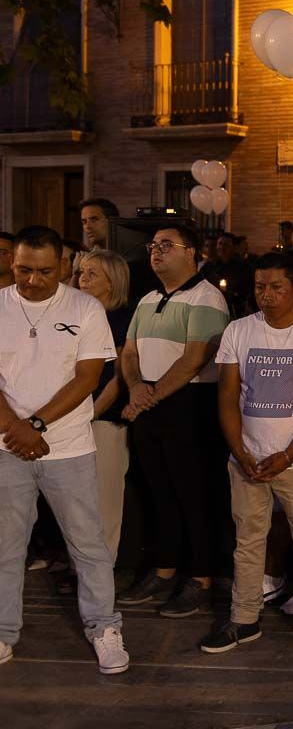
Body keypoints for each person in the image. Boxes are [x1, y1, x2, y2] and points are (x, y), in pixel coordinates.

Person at [200, 252, 293, 658]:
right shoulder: (239, 331)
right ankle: (243, 619)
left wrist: (288, 455)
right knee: (247, 539)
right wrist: (241, 452)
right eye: (260, 286)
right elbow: (227, 397)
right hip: (248, 460)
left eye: (276, 286)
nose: (266, 295)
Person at [0, 225, 129, 674]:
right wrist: (15, 429)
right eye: (22, 270)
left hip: (70, 447)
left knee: (88, 543)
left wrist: (35, 425)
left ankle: (104, 629)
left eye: (41, 271)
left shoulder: (85, 307)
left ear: (61, 266)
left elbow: (88, 378)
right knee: (5, 546)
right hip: (7, 447)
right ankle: (2, 632)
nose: (31, 280)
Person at [117, 223, 231, 617]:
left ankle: (201, 577)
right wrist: (135, 389)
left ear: (192, 253)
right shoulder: (147, 299)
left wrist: (144, 399)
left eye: (167, 245)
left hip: (189, 405)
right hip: (148, 400)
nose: (157, 252)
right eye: (153, 245)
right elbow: (128, 353)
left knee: (194, 493)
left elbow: (193, 360)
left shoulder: (207, 297)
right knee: (158, 490)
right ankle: (165, 569)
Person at [77, 250, 134, 562]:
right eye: (82, 272)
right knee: (79, 502)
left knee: (106, 500)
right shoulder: (78, 315)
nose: (82, 280)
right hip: (72, 420)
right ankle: (81, 565)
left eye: (91, 274)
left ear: (112, 282)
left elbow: (118, 378)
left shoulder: (123, 319)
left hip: (103, 420)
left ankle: (103, 567)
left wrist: (90, 414)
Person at [203, 232, 252, 317]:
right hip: (212, 309)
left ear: (234, 247)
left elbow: (247, 289)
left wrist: (232, 294)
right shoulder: (209, 267)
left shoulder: (243, 267)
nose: (222, 248)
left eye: (226, 245)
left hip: (235, 310)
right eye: (220, 244)